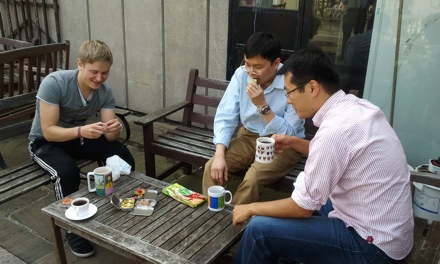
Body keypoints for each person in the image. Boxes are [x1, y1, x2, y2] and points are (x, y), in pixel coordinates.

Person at [232, 45, 414, 263]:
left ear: (312, 88)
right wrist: (295, 142)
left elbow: (302, 208)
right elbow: (342, 154)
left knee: (258, 230)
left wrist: (249, 208)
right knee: (312, 201)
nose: (288, 100)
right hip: (390, 232)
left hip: (373, 248)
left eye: (289, 92)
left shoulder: (334, 131)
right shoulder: (356, 108)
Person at [28, 40, 135, 258]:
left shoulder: (104, 91)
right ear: (80, 64)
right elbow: (48, 131)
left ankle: (114, 206)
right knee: (67, 172)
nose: (99, 78)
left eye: (104, 73)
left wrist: (115, 127)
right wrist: (80, 131)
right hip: (44, 143)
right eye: (94, 72)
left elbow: (111, 136)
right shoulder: (55, 83)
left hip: (78, 137)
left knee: (121, 154)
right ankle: (72, 229)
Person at [202, 32, 304, 205]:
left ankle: (237, 224)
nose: (251, 71)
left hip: (284, 144)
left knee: (253, 178)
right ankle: (212, 216)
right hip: (249, 136)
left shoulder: (292, 81)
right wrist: (219, 154)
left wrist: (262, 105)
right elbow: (226, 116)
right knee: (212, 167)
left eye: (257, 67)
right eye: (247, 64)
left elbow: (290, 133)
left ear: (276, 63)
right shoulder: (241, 75)